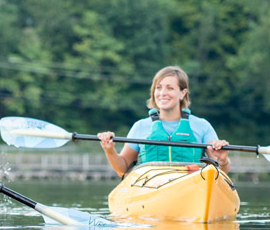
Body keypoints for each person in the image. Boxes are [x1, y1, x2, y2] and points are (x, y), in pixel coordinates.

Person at [98, 65, 230, 176]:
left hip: (191, 187)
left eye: (170, 88)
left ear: (182, 93)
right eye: (158, 87)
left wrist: (223, 159)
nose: (162, 93)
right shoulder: (140, 126)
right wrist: (109, 150)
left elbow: (220, 172)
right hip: (150, 188)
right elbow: (124, 168)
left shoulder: (202, 126)